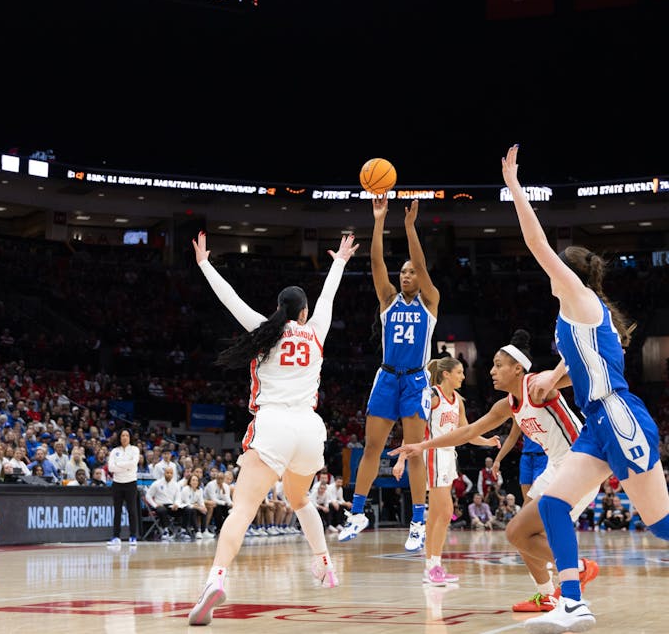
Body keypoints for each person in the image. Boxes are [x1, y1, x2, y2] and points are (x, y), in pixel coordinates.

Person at [501, 144, 669, 633]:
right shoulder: (574, 321)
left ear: (570, 272)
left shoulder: (579, 297)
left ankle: (572, 599)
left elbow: (536, 244)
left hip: (617, 416)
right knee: (552, 504)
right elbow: (582, 364)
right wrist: (556, 377)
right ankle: (572, 602)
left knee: (660, 526)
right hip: (596, 424)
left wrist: (513, 186)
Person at [187, 230, 359, 626]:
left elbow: (229, 298)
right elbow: (329, 297)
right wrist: (339, 261)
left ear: (279, 308)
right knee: (300, 501)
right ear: (303, 312)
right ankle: (324, 563)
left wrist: (205, 265)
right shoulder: (315, 331)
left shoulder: (264, 329)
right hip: (309, 431)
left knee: (243, 508)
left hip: (273, 425)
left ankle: (215, 578)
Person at [391, 329, 601, 616]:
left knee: (518, 533)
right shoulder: (507, 405)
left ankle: (578, 568)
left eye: (498, 365)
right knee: (521, 534)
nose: (491, 371)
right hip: (557, 466)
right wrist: (421, 445)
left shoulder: (538, 385)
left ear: (517, 368)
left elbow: (579, 374)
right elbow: (468, 431)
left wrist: (597, 354)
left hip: (580, 464)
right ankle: (546, 595)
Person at [339, 197, 439, 554]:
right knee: (372, 448)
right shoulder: (388, 300)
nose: (406, 275)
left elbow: (424, 268)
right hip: (386, 378)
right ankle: (356, 513)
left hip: (415, 380)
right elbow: (377, 261)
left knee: (413, 452)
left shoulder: (430, 300)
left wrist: (410, 228)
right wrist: (379, 219)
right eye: (404, 272)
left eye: (411, 272)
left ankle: (417, 521)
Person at [394, 356, 499, 585]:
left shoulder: (457, 401)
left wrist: (487, 442)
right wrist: (402, 458)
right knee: (444, 512)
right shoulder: (432, 396)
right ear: (446, 374)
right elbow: (413, 429)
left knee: (438, 515)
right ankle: (433, 566)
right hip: (432, 455)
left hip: (448, 456)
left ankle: (432, 566)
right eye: (459, 372)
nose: (463, 376)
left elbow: (466, 432)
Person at [495, 421, 548, 506]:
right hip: (526, 458)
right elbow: (512, 437)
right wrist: (498, 460)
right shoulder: (521, 413)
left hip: (543, 457)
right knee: (527, 499)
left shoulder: (547, 411)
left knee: (537, 494)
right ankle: (527, 517)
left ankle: (523, 517)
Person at [106, 429, 140, 547]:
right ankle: (116, 537)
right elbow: (110, 468)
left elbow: (133, 464)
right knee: (117, 511)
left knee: (132, 510)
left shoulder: (135, 450)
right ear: (119, 438)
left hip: (130, 483)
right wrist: (125, 466)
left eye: (127, 435)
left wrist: (118, 465)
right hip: (117, 483)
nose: (125, 437)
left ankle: (133, 536)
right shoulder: (115, 451)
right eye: (122, 435)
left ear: (130, 437)